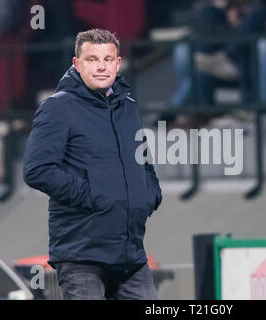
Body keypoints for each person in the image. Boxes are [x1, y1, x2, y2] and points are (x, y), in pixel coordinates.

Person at [23, 29, 162, 300]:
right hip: (81, 256)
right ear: (77, 64)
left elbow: (142, 160)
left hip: (130, 254)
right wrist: (93, 196)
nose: (101, 66)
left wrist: (150, 194)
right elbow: (37, 170)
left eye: (108, 59)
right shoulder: (57, 108)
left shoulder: (128, 107)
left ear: (118, 63)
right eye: (92, 59)